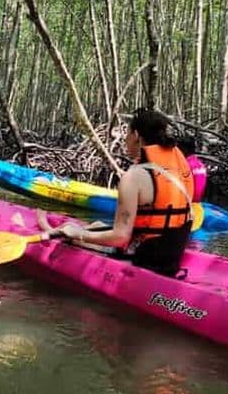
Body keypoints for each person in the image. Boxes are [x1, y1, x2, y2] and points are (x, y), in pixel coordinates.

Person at [40, 108, 194, 276]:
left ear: (136, 135)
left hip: (145, 260)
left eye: (126, 134)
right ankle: (51, 227)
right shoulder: (180, 167)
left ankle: (47, 229)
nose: (124, 140)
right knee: (97, 225)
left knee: (71, 232)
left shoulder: (133, 177)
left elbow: (120, 237)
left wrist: (80, 234)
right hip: (171, 257)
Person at [177, 136, 207, 202]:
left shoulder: (185, 165)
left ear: (184, 149)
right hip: (198, 201)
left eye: (179, 149)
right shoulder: (200, 164)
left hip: (188, 202)